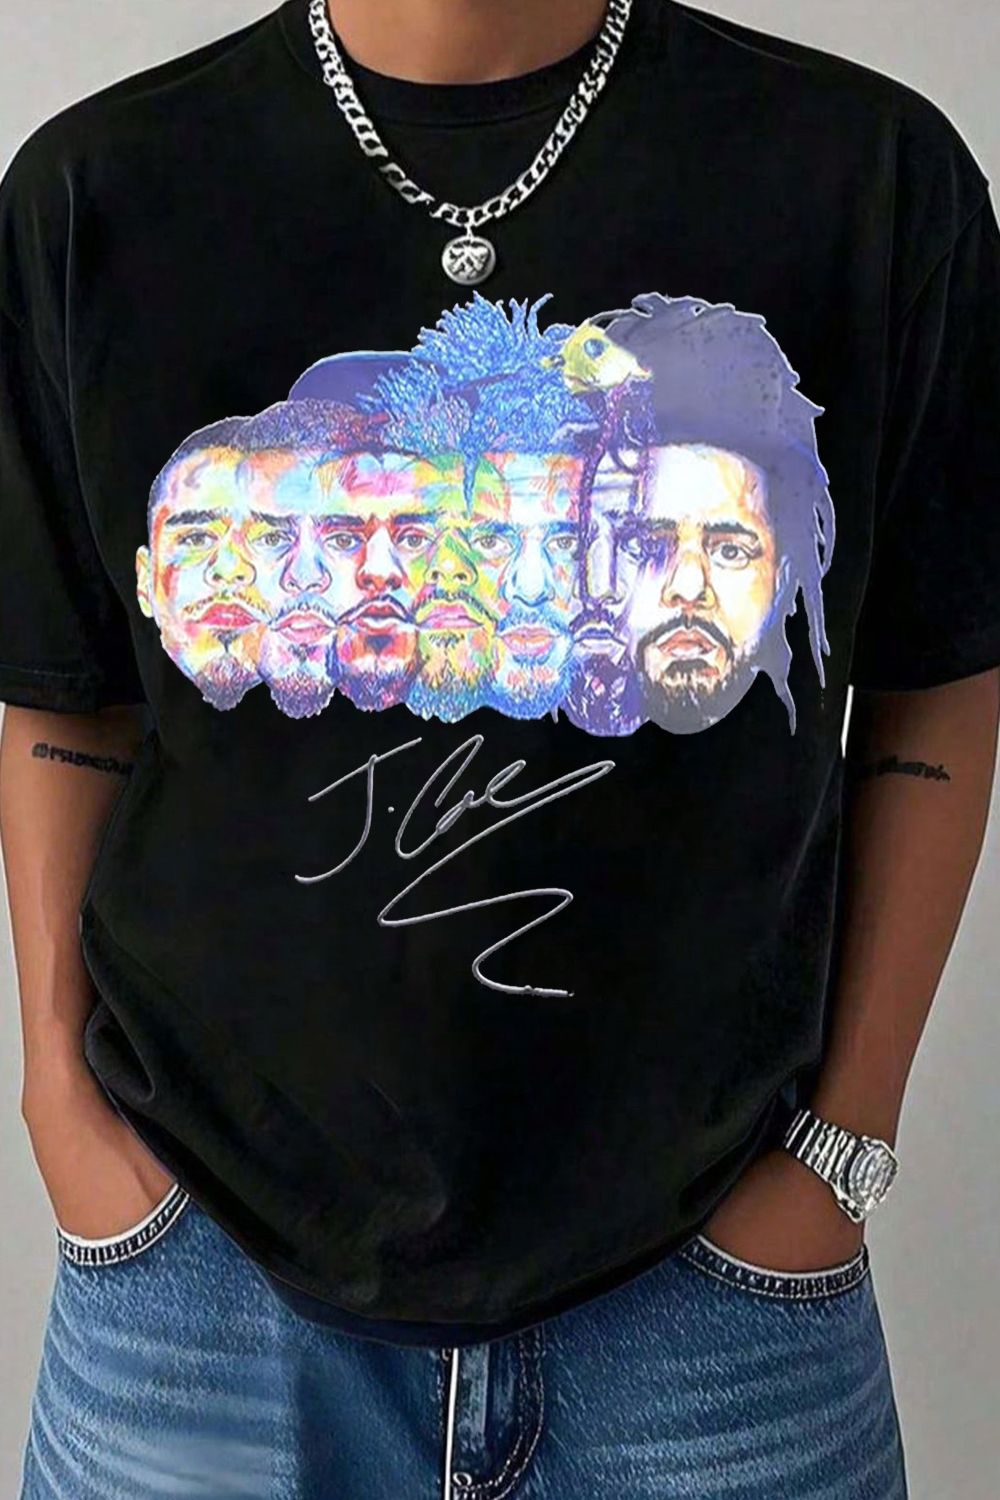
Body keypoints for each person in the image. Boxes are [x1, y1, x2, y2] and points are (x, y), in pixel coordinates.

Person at [2, 0, 999, 1496]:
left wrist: (840, 1148)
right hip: (203, 1289)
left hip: (716, 1304)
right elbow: (64, 688)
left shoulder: (868, 174)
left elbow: (941, 673)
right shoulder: (96, 192)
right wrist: (60, 1105)